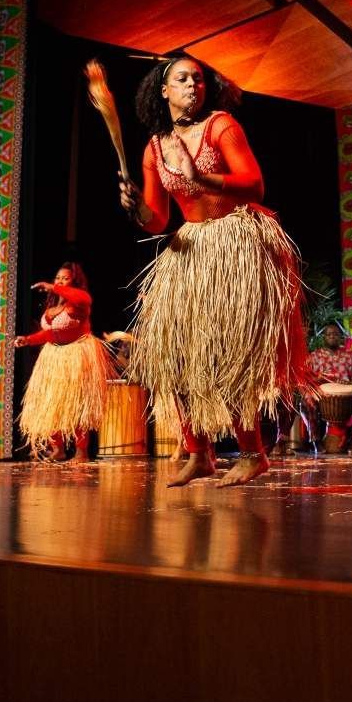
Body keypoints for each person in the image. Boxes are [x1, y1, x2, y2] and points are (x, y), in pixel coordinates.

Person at [90, 53, 310, 487]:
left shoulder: (221, 125)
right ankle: (200, 452)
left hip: (234, 242)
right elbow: (158, 218)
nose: (194, 85)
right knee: (172, 358)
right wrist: (136, 208)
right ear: (164, 90)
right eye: (182, 79)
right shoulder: (155, 146)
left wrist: (203, 178)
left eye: (199, 79)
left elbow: (254, 184)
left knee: (228, 357)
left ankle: (252, 453)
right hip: (189, 249)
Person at [13, 262, 113, 461]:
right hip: (53, 357)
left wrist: (54, 287)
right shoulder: (54, 306)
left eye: (65, 278)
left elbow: (83, 297)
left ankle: (81, 451)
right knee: (50, 403)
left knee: (77, 404)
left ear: (74, 281)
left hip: (77, 354)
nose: (59, 281)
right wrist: (29, 340)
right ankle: (57, 449)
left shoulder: (79, 302)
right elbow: (50, 333)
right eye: (57, 278)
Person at [305, 323, 352, 453]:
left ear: (341, 337)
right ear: (323, 337)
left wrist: (351, 384)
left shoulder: (350, 355)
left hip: (349, 398)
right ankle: (315, 441)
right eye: (328, 334)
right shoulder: (315, 356)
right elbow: (305, 379)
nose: (332, 337)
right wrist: (317, 382)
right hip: (321, 397)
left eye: (335, 334)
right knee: (306, 400)